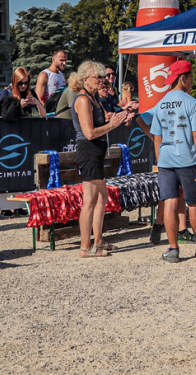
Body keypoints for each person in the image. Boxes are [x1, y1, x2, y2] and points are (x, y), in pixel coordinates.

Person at [142, 59, 196, 263]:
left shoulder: (161, 103)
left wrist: (161, 160)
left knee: (170, 202)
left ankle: (172, 249)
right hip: (187, 160)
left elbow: (157, 136)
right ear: (183, 78)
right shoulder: (191, 102)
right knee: (193, 204)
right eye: (190, 78)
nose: (191, 82)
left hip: (166, 162)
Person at [72, 60, 133, 258]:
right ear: (85, 79)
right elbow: (89, 133)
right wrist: (112, 125)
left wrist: (120, 116)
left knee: (101, 198)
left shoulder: (93, 98)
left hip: (96, 150)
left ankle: (98, 240)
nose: (101, 80)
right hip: (88, 150)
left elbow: (102, 120)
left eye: (102, 76)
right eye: (97, 77)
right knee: (90, 200)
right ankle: (84, 246)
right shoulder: (83, 100)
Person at [135, 109, 194, 247]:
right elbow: (140, 120)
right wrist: (155, 139)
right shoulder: (162, 104)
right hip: (166, 154)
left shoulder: (180, 102)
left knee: (179, 192)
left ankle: (180, 230)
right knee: (168, 194)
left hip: (180, 152)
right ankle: (159, 226)